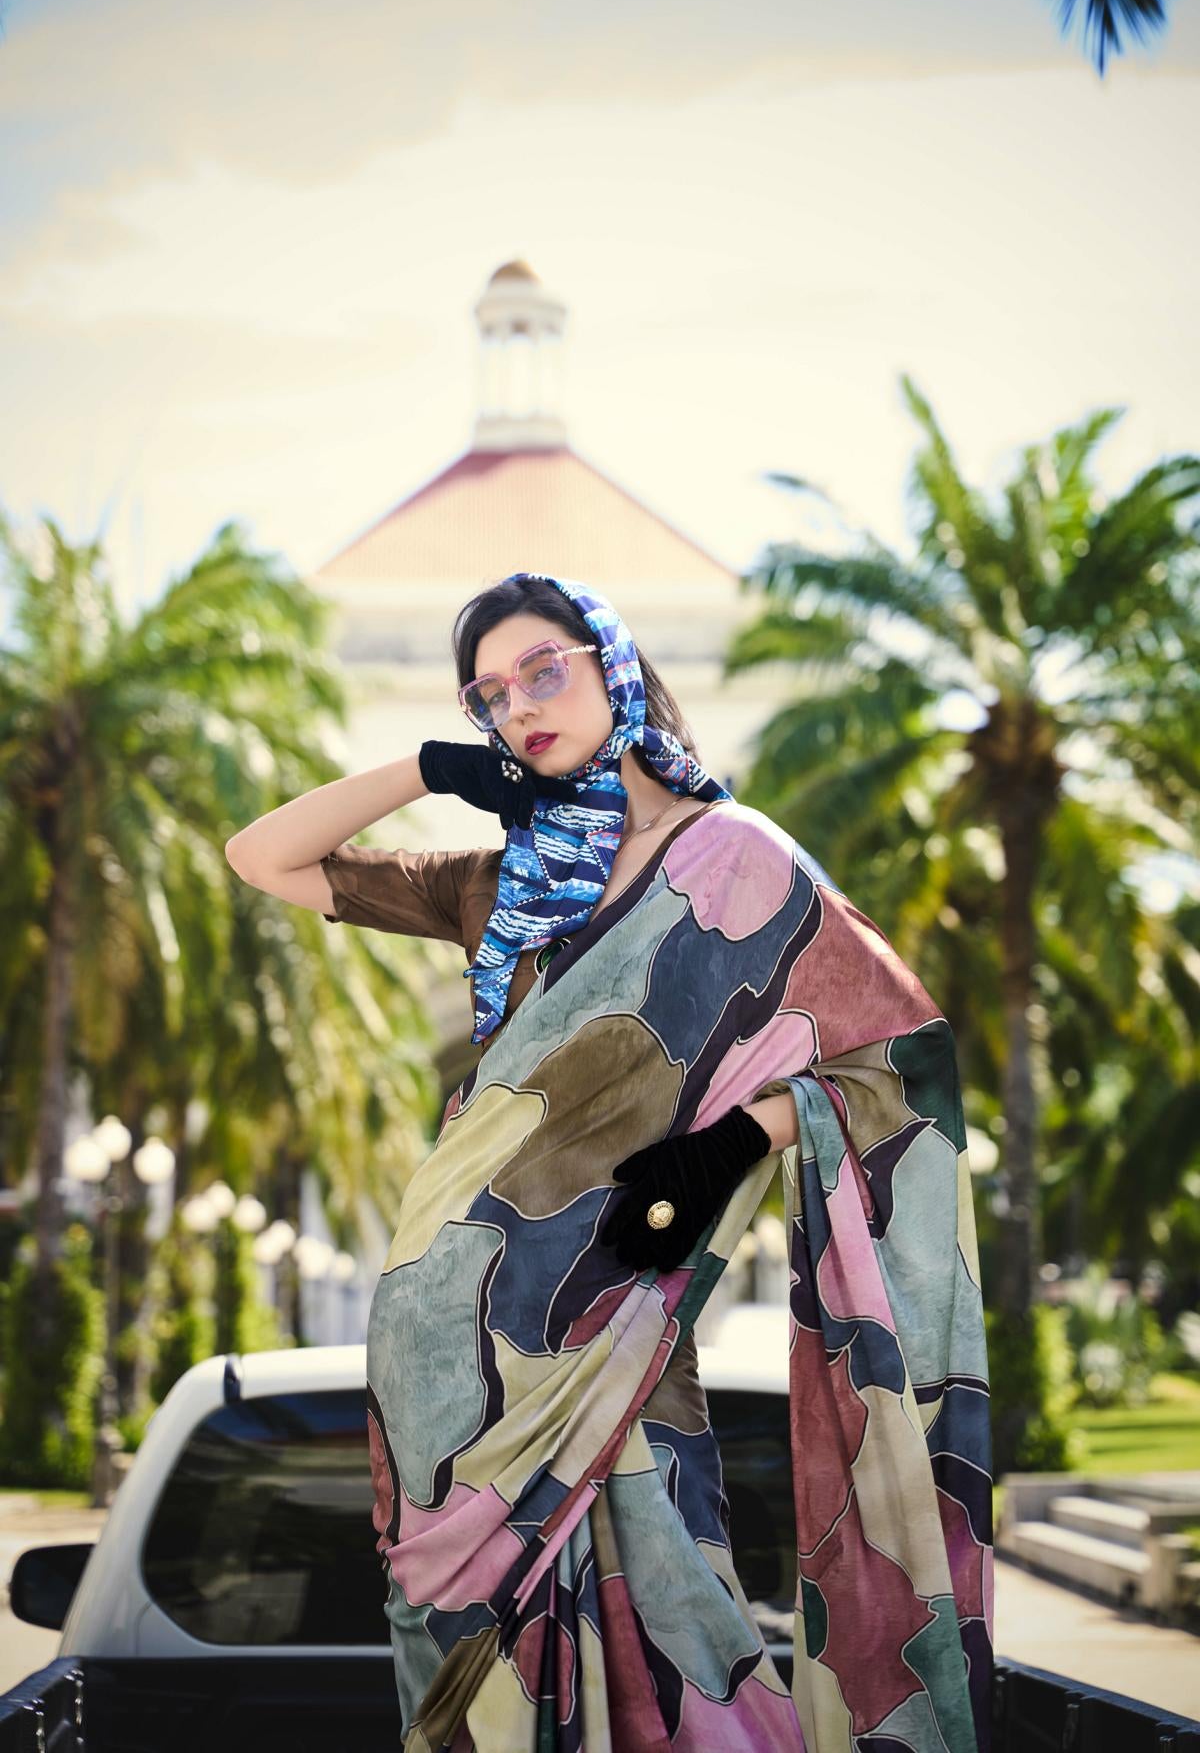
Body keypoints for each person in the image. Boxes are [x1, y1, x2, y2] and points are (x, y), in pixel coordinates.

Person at [226, 571, 994, 1753]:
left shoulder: (737, 861)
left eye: (544, 670)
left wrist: (733, 1143)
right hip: (442, 1366)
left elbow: (900, 1068)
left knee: (676, 1635)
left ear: (616, 667)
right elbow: (261, 857)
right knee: (458, 1674)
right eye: (490, 695)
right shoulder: (499, 886)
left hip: (618, 1327)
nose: (520, 705)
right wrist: (431, 768)